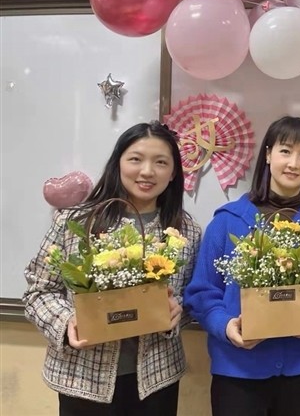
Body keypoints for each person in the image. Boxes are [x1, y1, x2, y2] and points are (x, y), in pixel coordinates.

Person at [23, 121, 202, 416]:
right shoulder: (76, 221)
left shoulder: (186, 230)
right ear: (118, 163)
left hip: (156, 377)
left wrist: (177, 312)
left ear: (173, 173)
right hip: (82, 376)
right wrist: (67, 323)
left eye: (161, 162)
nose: (147, 171)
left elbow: (192, 296)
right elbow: (38, 292)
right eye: (136, 159)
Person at [183, 116, 300, 416]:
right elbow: (201, 293)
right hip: (237, 370)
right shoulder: (227, 221)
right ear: (268, 154)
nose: (293, 163)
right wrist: (226, 326)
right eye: (285, 151)